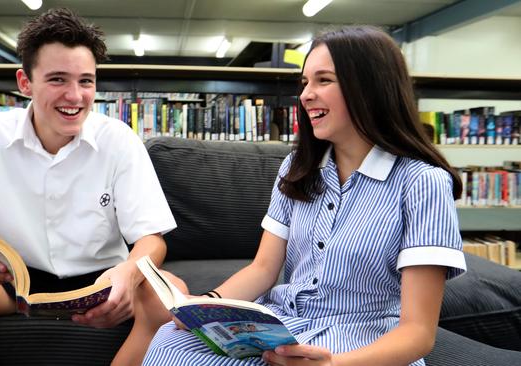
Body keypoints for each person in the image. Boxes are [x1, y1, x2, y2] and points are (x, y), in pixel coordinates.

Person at [140, 25, 467, 365]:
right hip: (285, 328)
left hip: (360, 344)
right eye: (305, 83)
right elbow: (264, 269)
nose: (306, 95)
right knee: (172, 341)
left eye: (324, 80)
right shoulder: (297, 167)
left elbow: (418, 332)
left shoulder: (423, 182)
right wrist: (203, 306)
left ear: (369, 88)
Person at [0, 8, 180, 366]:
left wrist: (128, 274)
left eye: (86, 81)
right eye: (58, 79)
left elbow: (151, 238)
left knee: (172, 296)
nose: (75, 96)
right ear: (25, 82)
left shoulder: (120, 141)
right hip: (13, 282)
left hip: (103, 281)